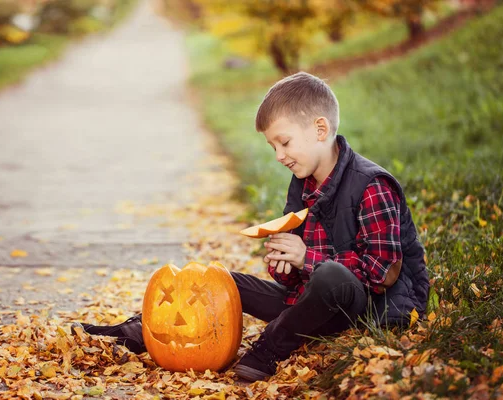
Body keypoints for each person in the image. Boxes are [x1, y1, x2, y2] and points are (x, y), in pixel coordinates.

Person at [74, 71, 429, 382]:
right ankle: (143, 331)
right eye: (272, 146)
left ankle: (272, 346)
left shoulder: (371, 185)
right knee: (219, 280)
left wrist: (307, 258)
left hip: (370, 308)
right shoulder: (303, 184)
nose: (279, 156)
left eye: (284, 142)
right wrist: (285, 265)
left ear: (320, 129)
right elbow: (295, 279)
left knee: (330, 277)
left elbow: (382, 274)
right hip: (310, 304)